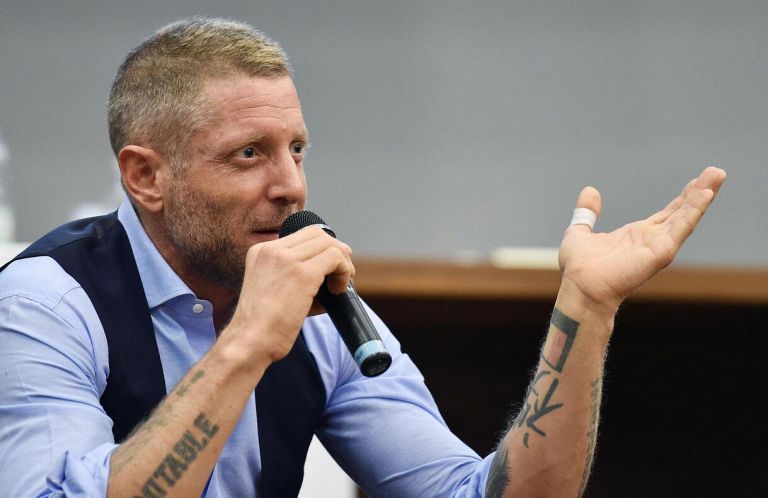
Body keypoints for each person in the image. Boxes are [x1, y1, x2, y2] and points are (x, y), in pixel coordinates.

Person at [0, 17, 726, 498]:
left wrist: (587, 310)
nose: (290, 186)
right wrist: (247, 343)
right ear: (146, 177)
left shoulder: (322, 321)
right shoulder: (44, 305)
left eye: (296, 149)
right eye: (248, 154)